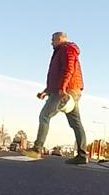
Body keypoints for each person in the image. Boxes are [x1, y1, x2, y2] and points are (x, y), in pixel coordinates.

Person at [28, 32, 87, 164]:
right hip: (70, 89)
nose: (51, 43)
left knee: (45, 115)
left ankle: (36, 149)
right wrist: (46, 91)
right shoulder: (62, 50)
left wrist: (63, 87)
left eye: (53, 40)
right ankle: (82, 155)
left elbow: (68, 69)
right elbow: (57, 75)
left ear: (60, 39)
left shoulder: (67, 49)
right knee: (75, 123)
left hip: (66, 90)